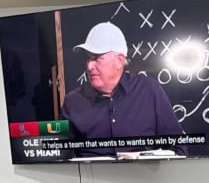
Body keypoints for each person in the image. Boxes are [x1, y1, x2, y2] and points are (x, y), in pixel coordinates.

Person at [61, 22, 185, 153]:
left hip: (142, 173)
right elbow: (61, 155)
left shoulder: (149, 91)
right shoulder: (72, 102)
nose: (90, 66)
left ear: (119, 61)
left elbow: (178, 146)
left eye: (97, 58)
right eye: (88, 58)